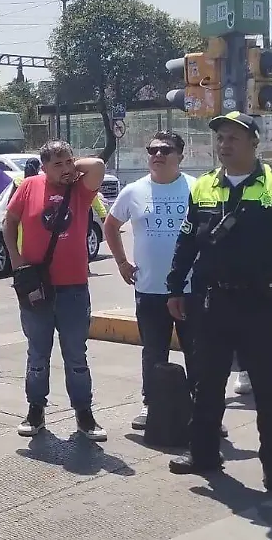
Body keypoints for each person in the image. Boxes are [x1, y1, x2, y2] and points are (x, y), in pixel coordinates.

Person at [166, 112, 272, 492]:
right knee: (207, 384)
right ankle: (203, 454)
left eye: (234, 137)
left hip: (261, 304)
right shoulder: (203, 186)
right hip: (212, 303)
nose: (225, 144)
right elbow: (187, 242)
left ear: (254, 142)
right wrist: (174, 287)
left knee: (267, 390)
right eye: (220, 138)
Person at [3, 140, 108, 441]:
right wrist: (16, 261)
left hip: (73, 286)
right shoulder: (29, 186)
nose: (65, 169)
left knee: (76, 355)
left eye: (68, 162)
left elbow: (98, 166)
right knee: (37, 353)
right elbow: (10, 223)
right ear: (43, 166)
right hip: (36, 285)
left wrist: (72, 169)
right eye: (57, 164)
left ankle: (84, 414)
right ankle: (35, 409)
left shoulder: (79, 189)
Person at [103, 131, 197, 430]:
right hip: (149, 289)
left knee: (198, 352)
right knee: (154, 352)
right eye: (152, 150)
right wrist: (121, 262)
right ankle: (152, 404)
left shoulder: (197, 188)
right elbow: (111, 224)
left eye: (165, 150)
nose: (158, 155)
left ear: (180, 156)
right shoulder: (133, 191)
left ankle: (203, 409)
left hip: (191, 289)